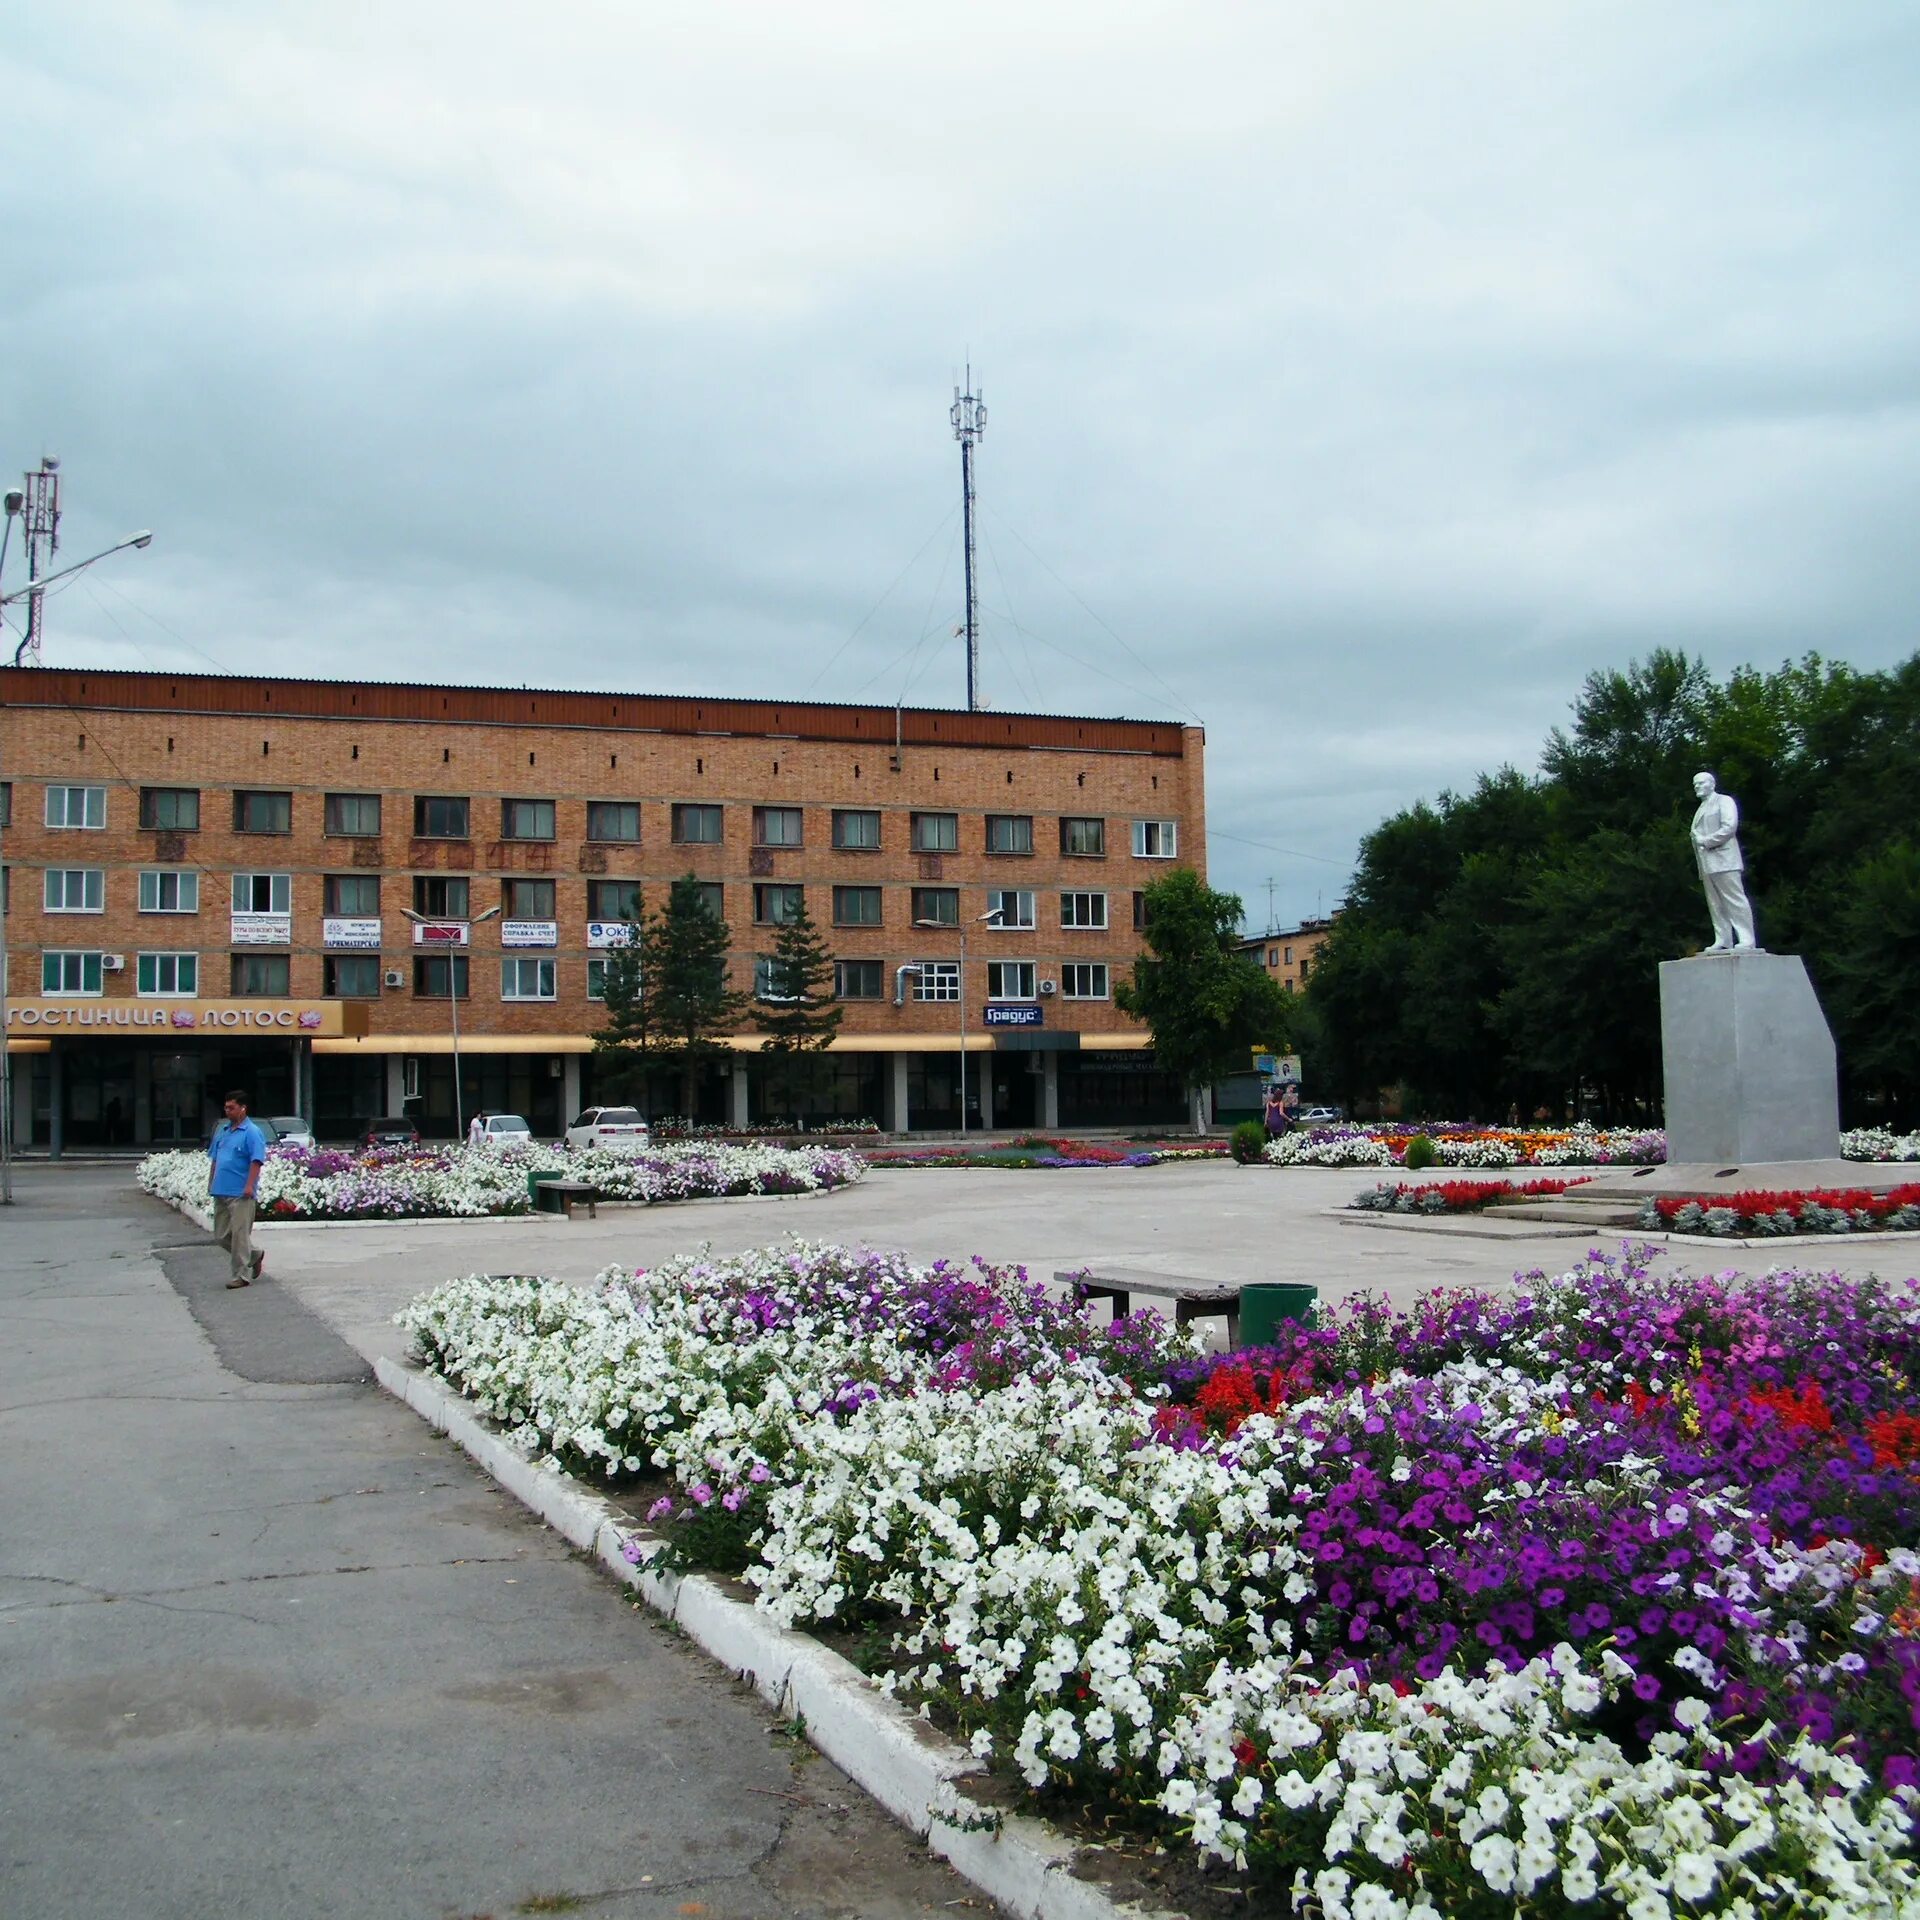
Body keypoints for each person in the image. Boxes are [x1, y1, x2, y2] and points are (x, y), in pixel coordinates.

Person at [1690, 771, 1760, 954]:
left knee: (1734, 898)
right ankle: (1723, 939)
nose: (1697, 787)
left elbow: (1729, 827)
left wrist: (1706, 840)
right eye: (1695, 784)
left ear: (1712, 784)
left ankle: (1746, 938)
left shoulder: (1724, 801)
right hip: (1707, 863)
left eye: (1701, 783)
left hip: (1724, 859)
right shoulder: (1701, 809)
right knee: (1715, 903)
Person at [208, 1089, 267, 1290]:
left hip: (241, 1192)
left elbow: (256, 1161)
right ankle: (254, 1254)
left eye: (231, 1108)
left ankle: (240, 1275)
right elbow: (215, 1159)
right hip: (221, 1190)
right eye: (226, 1107)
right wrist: (211, 1183)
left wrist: (250, 1185)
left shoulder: (252, 1132)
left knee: (240, 1236)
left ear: (243, 1108)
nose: (228, 1111)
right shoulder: (223, 1132)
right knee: (221, 1235)